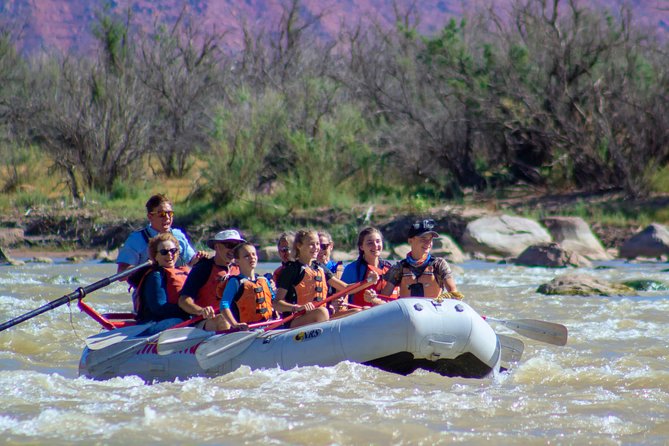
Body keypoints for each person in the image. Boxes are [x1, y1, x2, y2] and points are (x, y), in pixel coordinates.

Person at [273, 229, 378, 328]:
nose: (316, 248)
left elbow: (346, 288)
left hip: (321, 318)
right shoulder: (291, 270)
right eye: (311, 244)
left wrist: (369, 281)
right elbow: (277, 304)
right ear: (299, 246)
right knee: (322, 312)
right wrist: (297, 307)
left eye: (318, 244)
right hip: (296, 320)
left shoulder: (319, 267)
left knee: (362, 311)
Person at [116, 194, 205, 273]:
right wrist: (148, 268)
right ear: (150, 216)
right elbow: (122, 272)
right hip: (150, 288)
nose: (167, 218)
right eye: (162, 214)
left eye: (170, 214)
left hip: (176, 287)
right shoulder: (136, 239)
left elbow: (192, 261)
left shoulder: (178, 235)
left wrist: (200, 259)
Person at [380, 219, 462, 300]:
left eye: (430, 239)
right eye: (423, 239)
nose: (428, 243)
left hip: (434, 310)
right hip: (408, 312)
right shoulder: (399, 267)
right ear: (411, 241)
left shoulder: (439, 264)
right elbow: (384, 297)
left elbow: (453, 292)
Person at [178, 229, 245, 325]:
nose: (233, 250)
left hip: (236, 320)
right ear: (217, 247)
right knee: (224, 321)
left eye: (237, 246)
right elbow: (183, 300)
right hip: (207, 322)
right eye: (229, 245)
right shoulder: (203, 268)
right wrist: (201, 311)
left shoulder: (240, 268)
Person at [209, 243, 276, 331]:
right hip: (246, 330)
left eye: (254, 254)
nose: (252, 257)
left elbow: (275, 302)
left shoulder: (264, 280)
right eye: (247, 256)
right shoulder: (235, 282)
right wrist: (235, 324)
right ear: (237, 261)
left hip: (267, 326)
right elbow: (224, 305)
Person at [132, 233, 190, 333]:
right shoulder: (155, 276)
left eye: (173, 251)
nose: (169, 255)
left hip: (180, 315)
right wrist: (189, 309)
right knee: (181, 320)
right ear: (155, 256)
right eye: (164, 252)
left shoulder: (184, 271)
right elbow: (159, 308)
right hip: (154, 321)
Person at [341, 227, 399, 307]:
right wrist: (368, 281)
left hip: (388, 313)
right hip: (362, 314)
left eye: (378, 241)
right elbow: (341, 293)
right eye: (370, 243)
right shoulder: (352, 269)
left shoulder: (390, 268)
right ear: (361, 247)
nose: (375, 245)